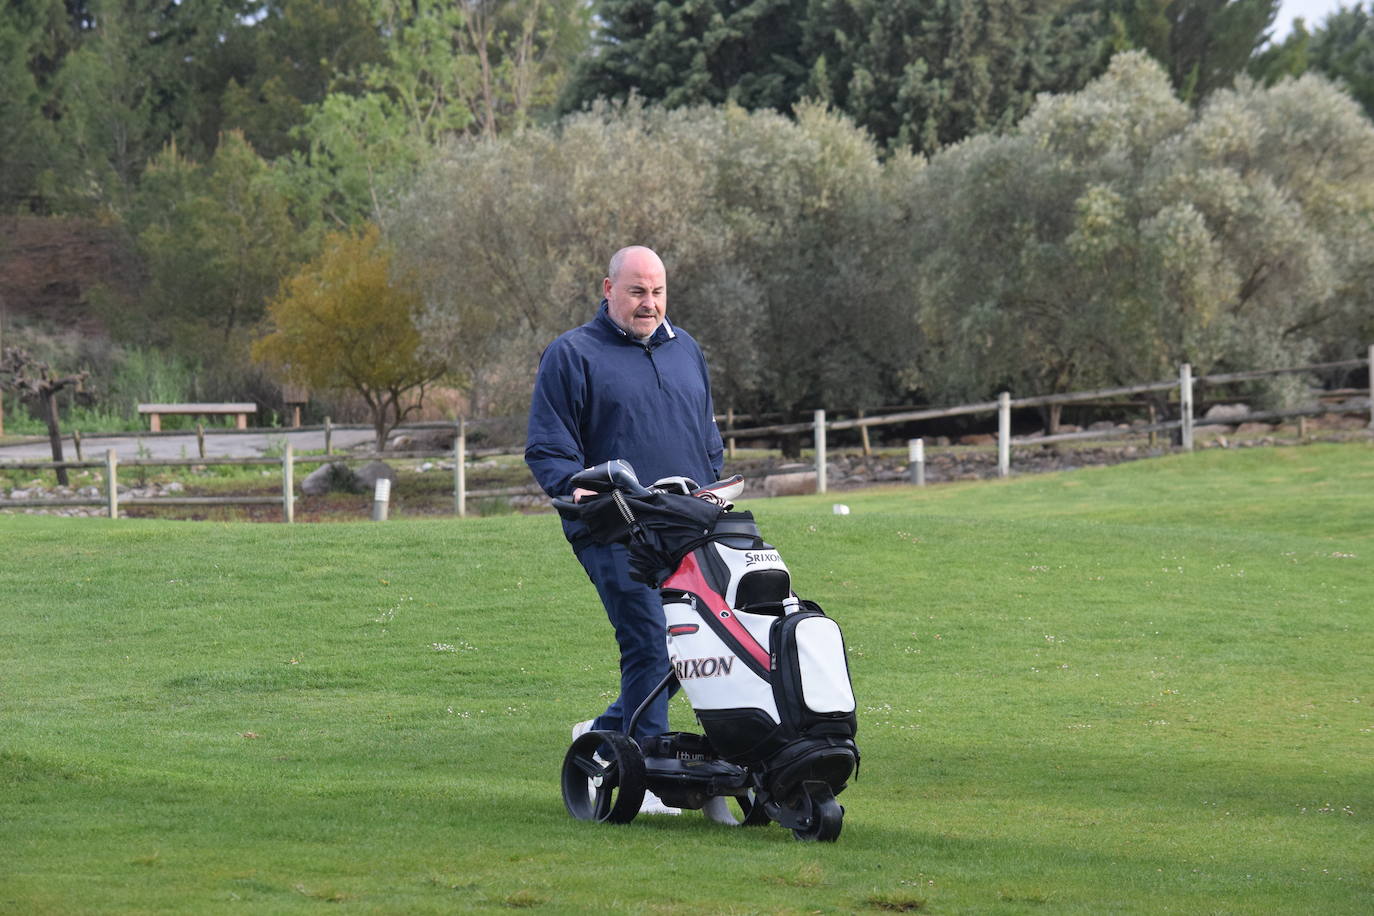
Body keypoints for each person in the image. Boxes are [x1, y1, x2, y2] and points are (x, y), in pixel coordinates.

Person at [526, 246, 729, 819]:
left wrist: (714, 485)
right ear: (608, 288)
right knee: (650, 638)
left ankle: (609, 731)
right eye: (638, 291)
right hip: (612, 527)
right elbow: (547, 445)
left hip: (687, 521)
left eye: (658, 291)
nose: (650, 303)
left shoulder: (686, 348)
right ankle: (653, 772)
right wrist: (574, 483)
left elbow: (706, 435)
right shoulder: (572, 354)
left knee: (702, 641)